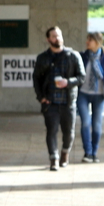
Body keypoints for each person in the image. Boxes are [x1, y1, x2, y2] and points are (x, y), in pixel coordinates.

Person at [32, 26, 86, 171]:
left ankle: (65, 153)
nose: (57, 39)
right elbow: (36, 78)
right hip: (50, 102)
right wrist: (41, 97)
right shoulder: (43, 58)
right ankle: (53, 159)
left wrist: (68, 82)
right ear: (48, 39)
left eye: (59, 35)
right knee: (51, 131)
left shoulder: (73, 55)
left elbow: (82, 77)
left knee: (68, 133)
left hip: (68, 101)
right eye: (54, 36)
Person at [78, 32, 104, 163]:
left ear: (98, 42)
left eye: (90, 40)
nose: (87, 42)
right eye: (87, 39)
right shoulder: (82, 56)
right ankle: (87, 153)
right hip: (83, 94)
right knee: (85, 122)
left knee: (96, 124)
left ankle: (94, 153)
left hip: (99, 95)